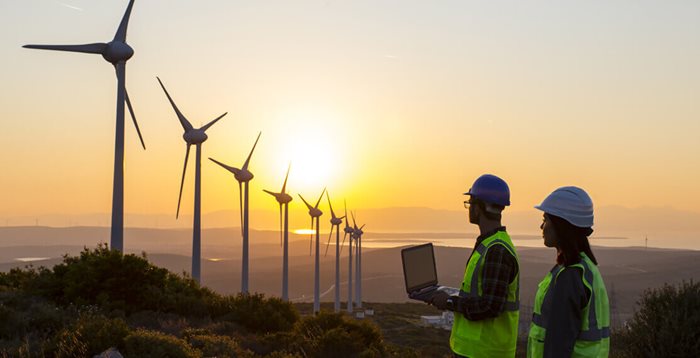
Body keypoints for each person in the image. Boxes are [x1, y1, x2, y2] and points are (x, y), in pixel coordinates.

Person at [429, 174, 520, 358]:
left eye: (470, 202)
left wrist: (449, 302)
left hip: (484, 351)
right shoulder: (490, 243)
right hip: (475, 350)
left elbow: (490, 306)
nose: (469, 208)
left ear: (479, 206)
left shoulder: (496, 250)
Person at [528, 186, 610, 357]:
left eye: (546, 219)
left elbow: (558, 346)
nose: (541, 226)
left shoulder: (570, 277)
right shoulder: (587, 270)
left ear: (561, 225)